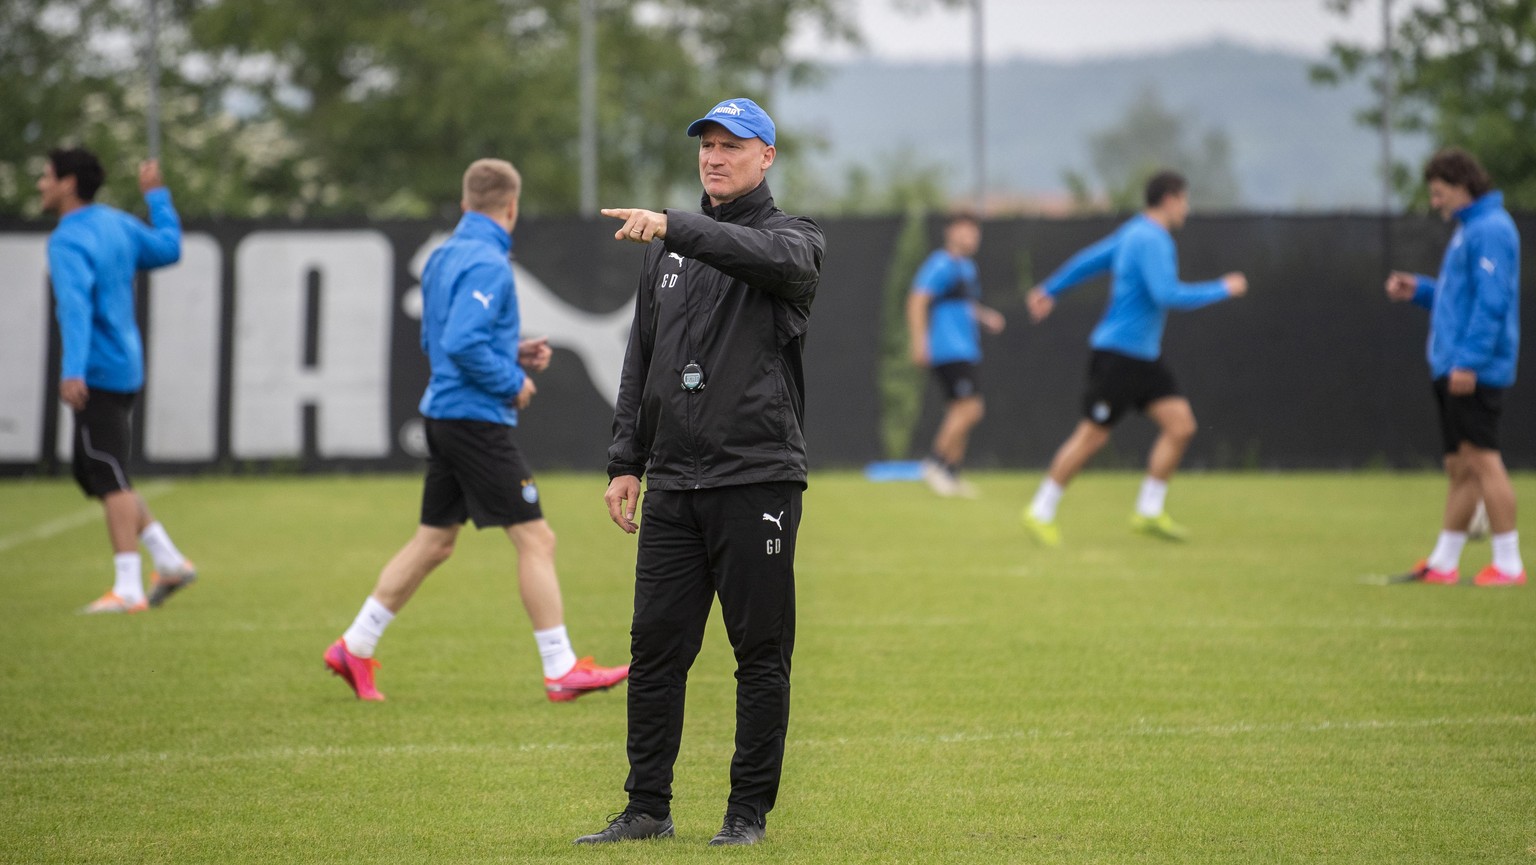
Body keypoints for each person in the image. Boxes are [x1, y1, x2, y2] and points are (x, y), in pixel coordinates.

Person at [575, 97, 824, 848]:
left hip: (755, 477)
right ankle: (646, 806)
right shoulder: (666, 249)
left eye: (731, 145)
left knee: (760, 653)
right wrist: (627, 461)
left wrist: (676, 225)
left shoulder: (794, 238)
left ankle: (746, 812)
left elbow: (760, 258)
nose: (714, 157)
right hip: (676, 482)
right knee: (655, 645)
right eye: (706, 146)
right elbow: (640, 360)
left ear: (766, 157)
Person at [323, 159, 629, 701]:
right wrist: (510, 377)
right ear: (511, 207)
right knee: (537, 538)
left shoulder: (443, 257)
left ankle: (355, 645)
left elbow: (439, 342)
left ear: (466, 204)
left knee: (435, 542)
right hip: (473, 419)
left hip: (443, 413)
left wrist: (510, 350)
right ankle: (560, 668)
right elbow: (463, 344)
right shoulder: (489, 263)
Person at [1021, 170, 1247, 546]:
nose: (1186, 210)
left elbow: (1089, 260)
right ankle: (1040, 509)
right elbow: (1166, 295)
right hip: (1118, 356)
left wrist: (1051, 289)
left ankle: (1148, 510)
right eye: (1185, 201)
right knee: (1091, 438)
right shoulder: (1152, 238)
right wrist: (1223, 288)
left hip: (1143, 358)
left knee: (1181, 426)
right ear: (1171, 198)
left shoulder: (1133, 232)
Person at [40, 147, 197, 614]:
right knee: (99, 472)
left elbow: (74, 308)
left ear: (68, 183)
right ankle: (168, 560)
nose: (42, 185)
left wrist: (73, 369)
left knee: (109, 476)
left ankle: (128, 586)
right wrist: (158, 197)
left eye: (47, 177)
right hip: (127, 365)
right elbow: (169, 248)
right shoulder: (117, 224)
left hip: (100, 369)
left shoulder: (68, 239)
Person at [1386, 148, 1523, 587]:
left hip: (1472, 369)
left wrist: (1469, 361)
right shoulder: (1469, 230)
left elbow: (1493, 301)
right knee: (1460, 467)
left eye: (1440, 192)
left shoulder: (1491, 230)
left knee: (1484, 461)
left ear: (1463, 186)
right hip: (1452, 365)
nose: (1436, 202)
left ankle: (1509, 564)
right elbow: (1456, 298)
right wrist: (1420, 290)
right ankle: (1444, 563)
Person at [907, 214, 1006, 497]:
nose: (971, 237)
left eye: (975, 233)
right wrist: (919, 342)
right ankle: (935, 463)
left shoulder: (967, 267)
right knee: (971, 409)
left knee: (959, 411)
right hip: (948, 349)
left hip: (967, 348)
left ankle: (951, 474)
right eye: (964, 231)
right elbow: (916, 301)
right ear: (949, 232)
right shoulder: (940, 264)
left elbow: (965, 305)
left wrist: (986, 317)